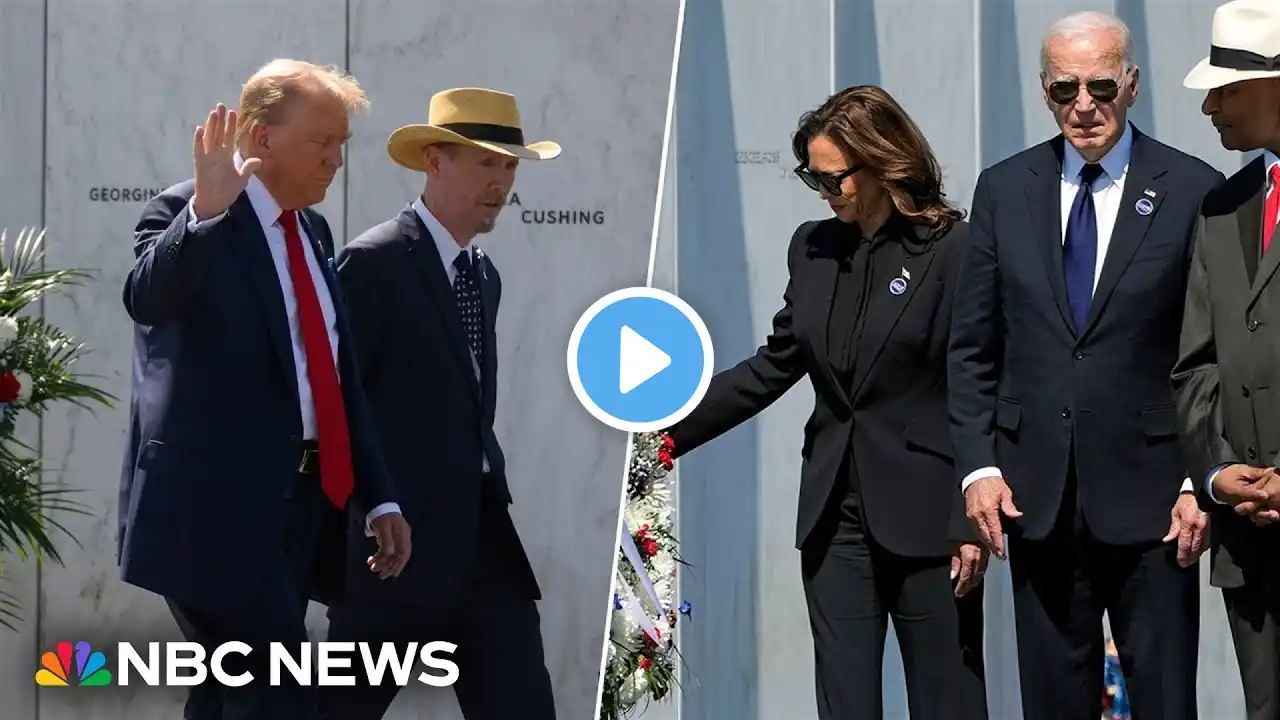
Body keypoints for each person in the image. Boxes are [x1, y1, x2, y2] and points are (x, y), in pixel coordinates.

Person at [662, 85, 988, 720]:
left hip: (931, 519)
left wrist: (967, 518)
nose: (823, 191)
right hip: (834, 517)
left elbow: (977, 383)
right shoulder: (812, 248)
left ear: (883, 162)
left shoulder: (953, 249)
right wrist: (659, 438)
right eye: (812, 175)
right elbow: (774, 365)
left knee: (948, 702)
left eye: (835, 177)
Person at [948, 11, 1224, 720]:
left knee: (1166, 702)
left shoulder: (1194, 189)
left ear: (1132, 84)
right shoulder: (1004, 189)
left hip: (1158, 500)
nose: (1084, 105)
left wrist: (1202, 478)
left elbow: (1215, 350)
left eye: (1101, 85)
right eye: (1064, 89)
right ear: (1044, 91)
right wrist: (979, 468)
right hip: (1034, 499)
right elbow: (974, 346)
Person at [117, 59, 411, 719]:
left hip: (303, 507)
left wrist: (380, 495)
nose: (336, 159)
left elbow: (336, 381)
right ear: (261, 134)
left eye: (342, 143)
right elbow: (147, 298)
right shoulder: (185, 213)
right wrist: (204, 214)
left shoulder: (313, 233)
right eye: (321, 140)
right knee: (278, 694)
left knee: (233, 694)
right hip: (213, 511)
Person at [319, 88, 560, 720]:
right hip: (394, 553)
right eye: (485, 162)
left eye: (510, 166)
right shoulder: (371, 262)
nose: (501, 181)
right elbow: (339, 403)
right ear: (435, 160)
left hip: (485, 550)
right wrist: (376, 505)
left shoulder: (484, 275)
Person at [1174, 1, 1280, 716]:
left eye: (1228, 88)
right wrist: (1216, 474)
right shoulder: (1221, 206)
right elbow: (1194, 365)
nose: (1211, 106)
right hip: (1252, 551)